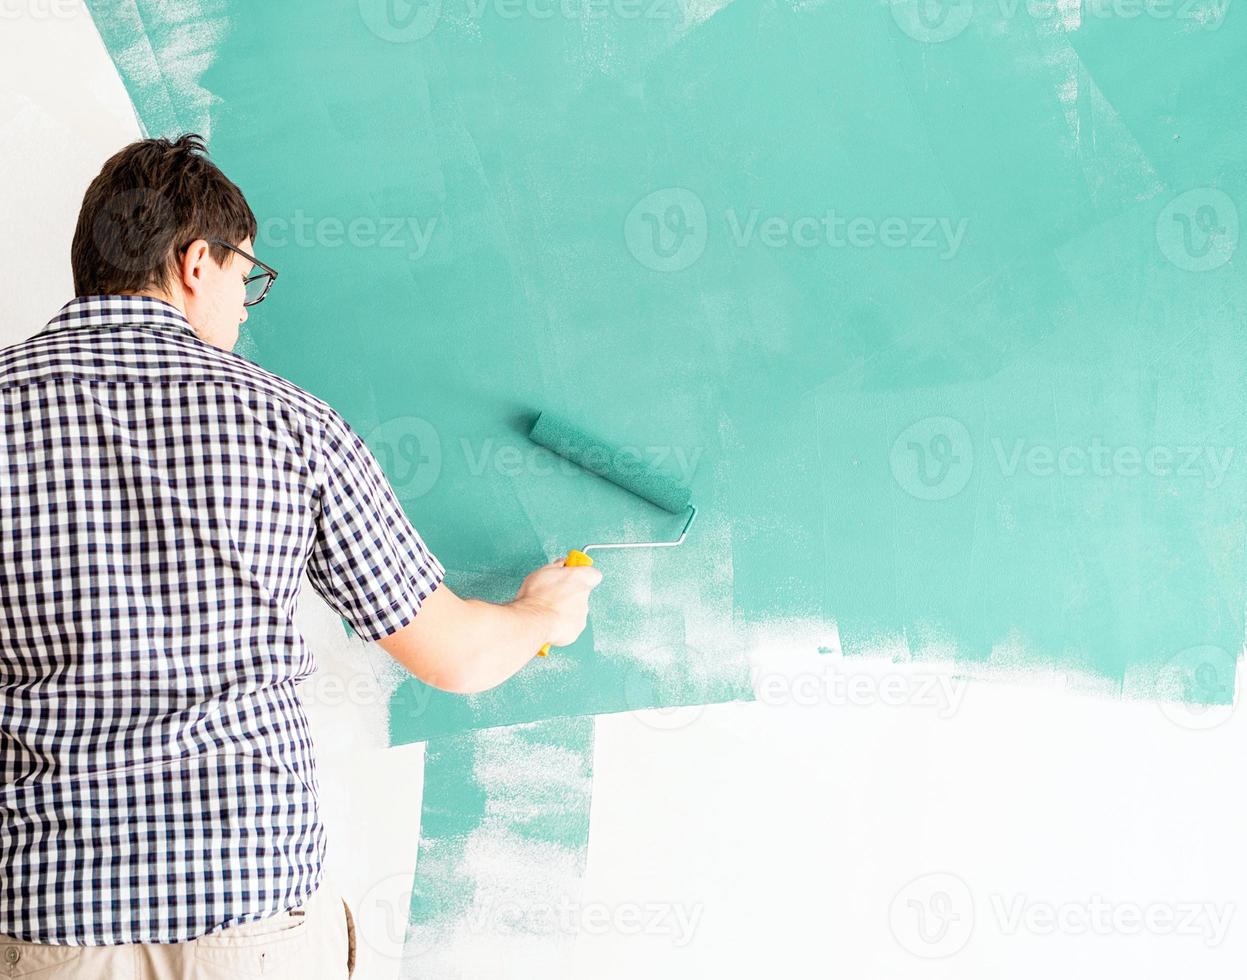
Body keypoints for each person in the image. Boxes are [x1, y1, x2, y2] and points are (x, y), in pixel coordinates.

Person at [0, 133, 603, 977]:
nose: (246, 308)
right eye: (248, 276)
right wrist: (543, 614)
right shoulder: (291, 426)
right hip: (249, 913)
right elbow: (455, 656)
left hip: (48, 920)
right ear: (194, 263)